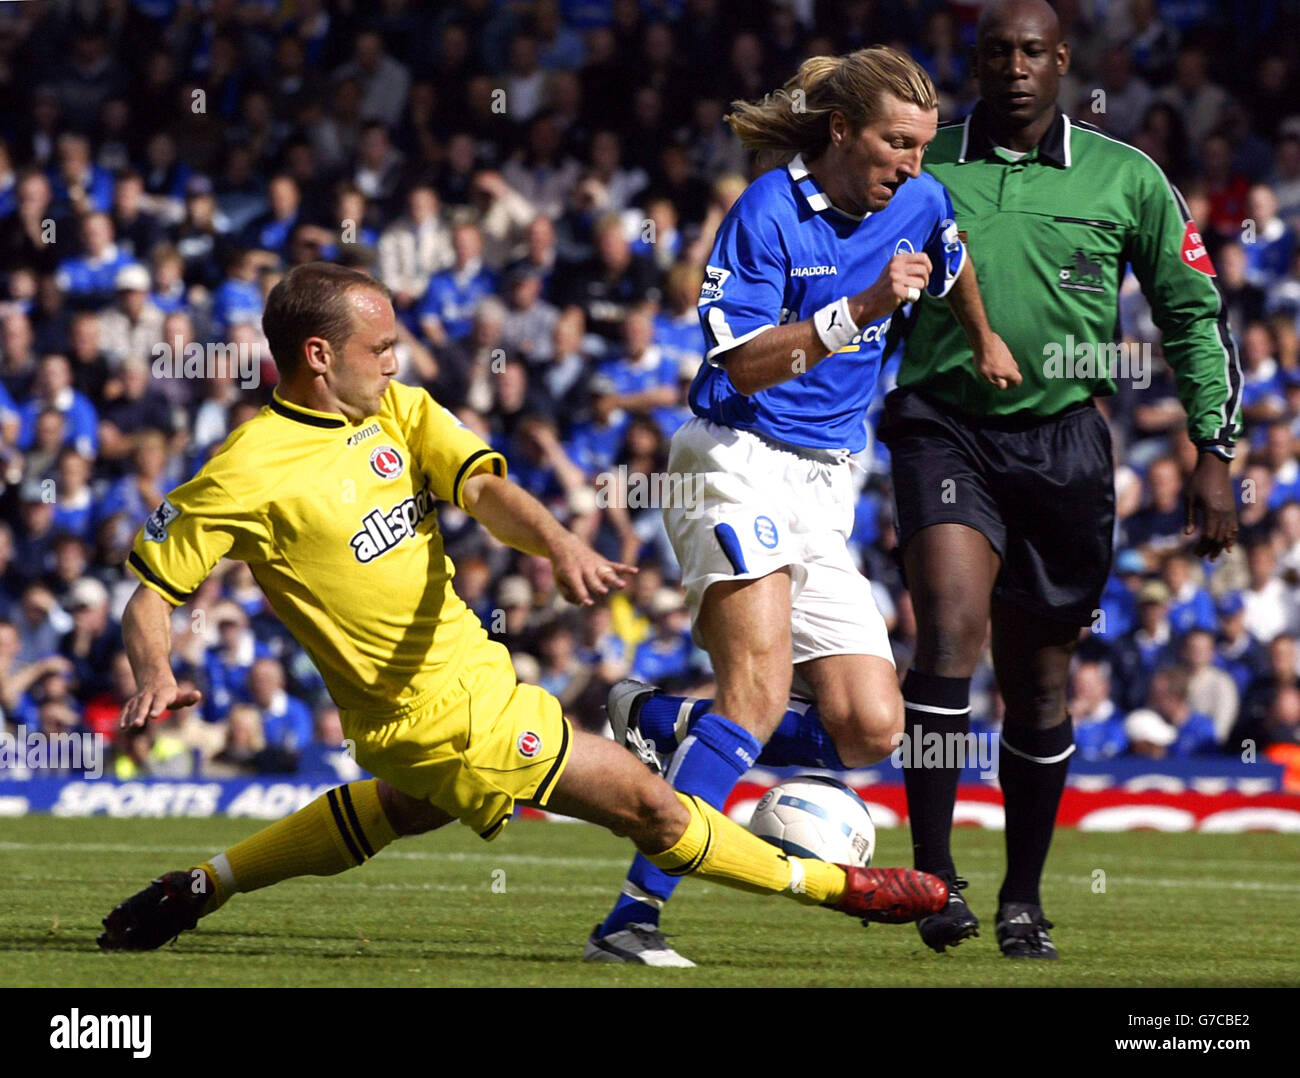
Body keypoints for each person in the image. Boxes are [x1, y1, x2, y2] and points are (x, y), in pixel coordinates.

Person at [96, 262, 947, 952]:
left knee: (403, 809)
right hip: (439, 721)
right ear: (319, 355)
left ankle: (199, 887)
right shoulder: (246, 473)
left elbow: (485, 489)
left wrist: (560, 545)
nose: (396, 361)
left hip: (474, 682)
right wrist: (158, 671)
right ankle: (843, 889)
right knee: (650, 806)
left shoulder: (395, 410)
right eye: (380, 347)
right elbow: (152, 593)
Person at [585, 47, 1015, 966]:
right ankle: (631, 918)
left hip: (827, 482)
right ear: (840, 131)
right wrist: (858, 308)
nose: (911, 162)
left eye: (923, 146)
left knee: (869, 726)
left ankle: (662, 722)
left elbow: (952, 258)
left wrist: (984, 339)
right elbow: (736, 363)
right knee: (755, 688)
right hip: (735, 458)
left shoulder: (921, 200)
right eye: (896, 143)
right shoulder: (767, 213)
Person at [876, 0, 1240, 958]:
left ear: (1063, 61)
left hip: (1065, 444)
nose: (1014, 68)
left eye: (1032, 51)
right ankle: (933, 877)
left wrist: (1215, 449)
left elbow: (1192, 314)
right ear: (977, 59)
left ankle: (1023, 899)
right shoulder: (926, 159)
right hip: (941, 426)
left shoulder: (1129, 178)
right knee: (946, 634)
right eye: (996, 51)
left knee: (1039, 685)